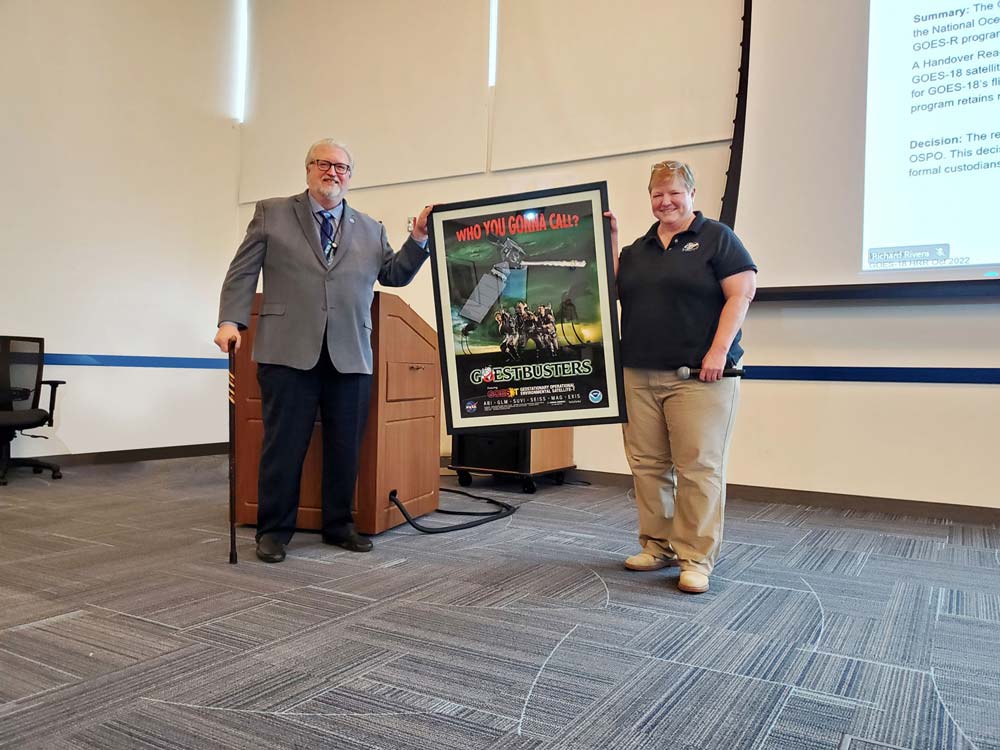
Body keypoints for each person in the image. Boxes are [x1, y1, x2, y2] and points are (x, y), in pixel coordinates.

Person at [214, 139, 432, 563]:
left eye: (343, 167)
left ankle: (338, 525)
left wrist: (418, 238)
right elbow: (242, 272)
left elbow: (394, 274)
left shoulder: (371, 229)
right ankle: (274, 531)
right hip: (287, 350)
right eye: (324, 164)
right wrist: (229, 320)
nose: (333, 172)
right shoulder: (271, 213)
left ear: (351, 175)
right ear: (309, 169)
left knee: (345, 445)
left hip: (350, 352)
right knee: (284, 445)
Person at [607, 160, 756, 594]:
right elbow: (613, 291)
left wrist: (718, 351)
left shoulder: (717, 238)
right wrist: (611, 242)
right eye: (657, 194)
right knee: (648, 466)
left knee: (698, 468)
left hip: (700, 376)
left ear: (691, 193)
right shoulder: (638, 250)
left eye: (674, 192)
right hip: (639, 372)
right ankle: (657, 546)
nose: (665, 201)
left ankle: (695, 558)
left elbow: (742, 292)